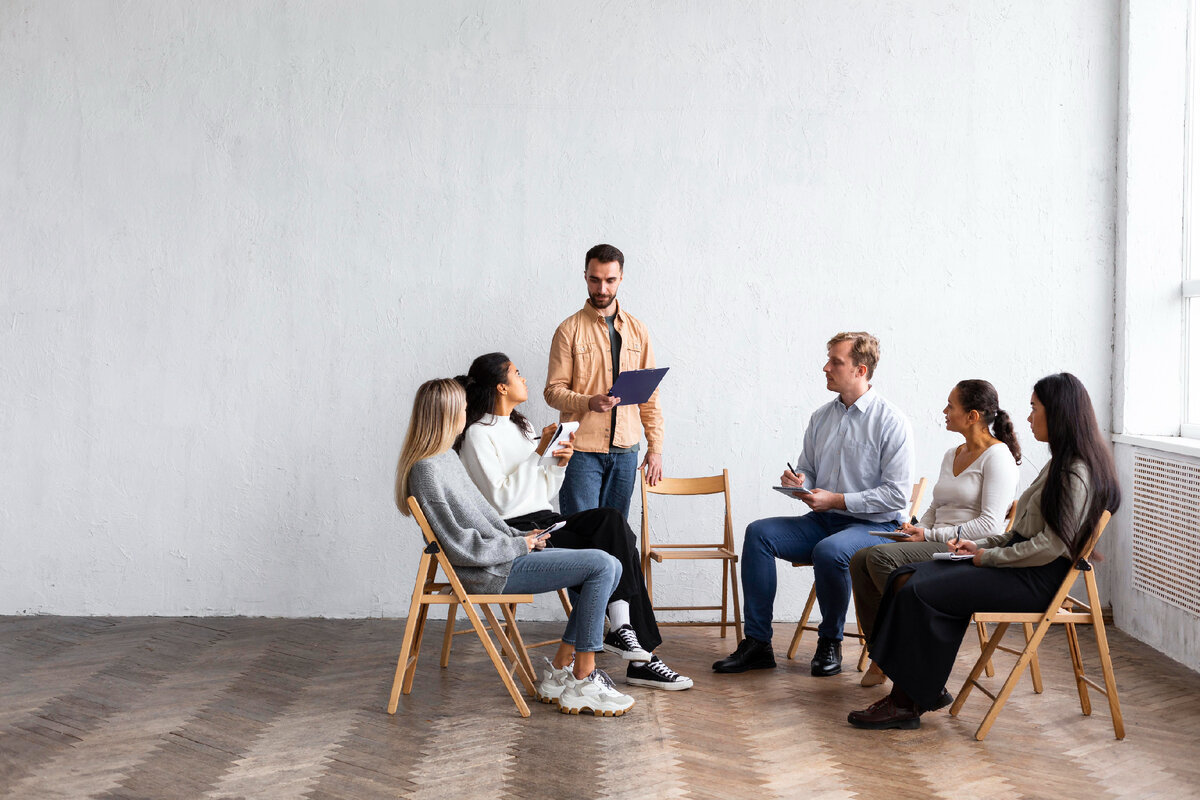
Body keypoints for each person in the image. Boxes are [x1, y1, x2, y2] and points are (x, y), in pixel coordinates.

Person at [848, 372, 1121, 730]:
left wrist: (985, 556)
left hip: (1036, 580)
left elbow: (1049, 547)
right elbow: (1019, 534)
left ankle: (905, 702)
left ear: (1058, 413)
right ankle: (916, 689)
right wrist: (976, 546)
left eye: (1034, 408)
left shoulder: (1074, 472)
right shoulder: (1059, 464)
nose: (1027, 417)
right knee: (904, 576)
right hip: (1022, 567)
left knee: (918, 587)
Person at [395, 377, 635, 717]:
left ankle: (562, 669)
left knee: (611, 563)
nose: (468, 413)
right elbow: (460, 546)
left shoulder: (445, 460)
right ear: (447, 414)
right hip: (489, 571)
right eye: (463, 409)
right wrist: (519, 545)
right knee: (602, 564)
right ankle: (582, 676)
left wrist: (526, 537)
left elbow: (487, 519)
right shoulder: (427, 472)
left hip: (504, 555)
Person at [455, 353, 692, 691]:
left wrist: (557, 464)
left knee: (612, 523)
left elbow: (543, 492)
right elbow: (502, 500)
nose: (524, 379)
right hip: (516, 531)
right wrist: (539, 456)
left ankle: (622, 629)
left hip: (544, 518)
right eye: (517, 373)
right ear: (501, 386)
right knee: (616, 542)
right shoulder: (478, 434)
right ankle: (641, 659)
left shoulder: (523, 427)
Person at [714, 332, 915, 677]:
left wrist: (835, 499)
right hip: (824, 521)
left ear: (860, 370)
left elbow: (897, 495)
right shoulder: (821, 417)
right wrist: (800, 480)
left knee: (830, 550)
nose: (826, 367)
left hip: (876, 527)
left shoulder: (891, 421)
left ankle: (830, 641)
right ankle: (758, 643)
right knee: (758, 533)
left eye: (836, 362)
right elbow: (807, 467)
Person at [850, 379, 1021, 687]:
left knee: (877, 559)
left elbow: (990, 525)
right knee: (859, 558)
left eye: (950, 406)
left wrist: (931, 536)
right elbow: (935, 507)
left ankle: (896, 657)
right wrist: (918, 528)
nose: (944, 411)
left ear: (972, 416)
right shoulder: (951, 453)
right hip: (936, 540)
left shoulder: (999, 458)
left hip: (966, 548)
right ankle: (884, 654)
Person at [544, 243, 663, 519]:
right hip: (580, 450)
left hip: (626, 451)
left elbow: (650, 395)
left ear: (620, 278)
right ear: (585, 276)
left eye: (610, 280)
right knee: (580, 536)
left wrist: (655, 448)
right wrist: (588, 402)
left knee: (614, 536)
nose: (602, 289)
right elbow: (552, 392)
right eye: (595, 280)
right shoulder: (568, 331)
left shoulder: (638, 331)